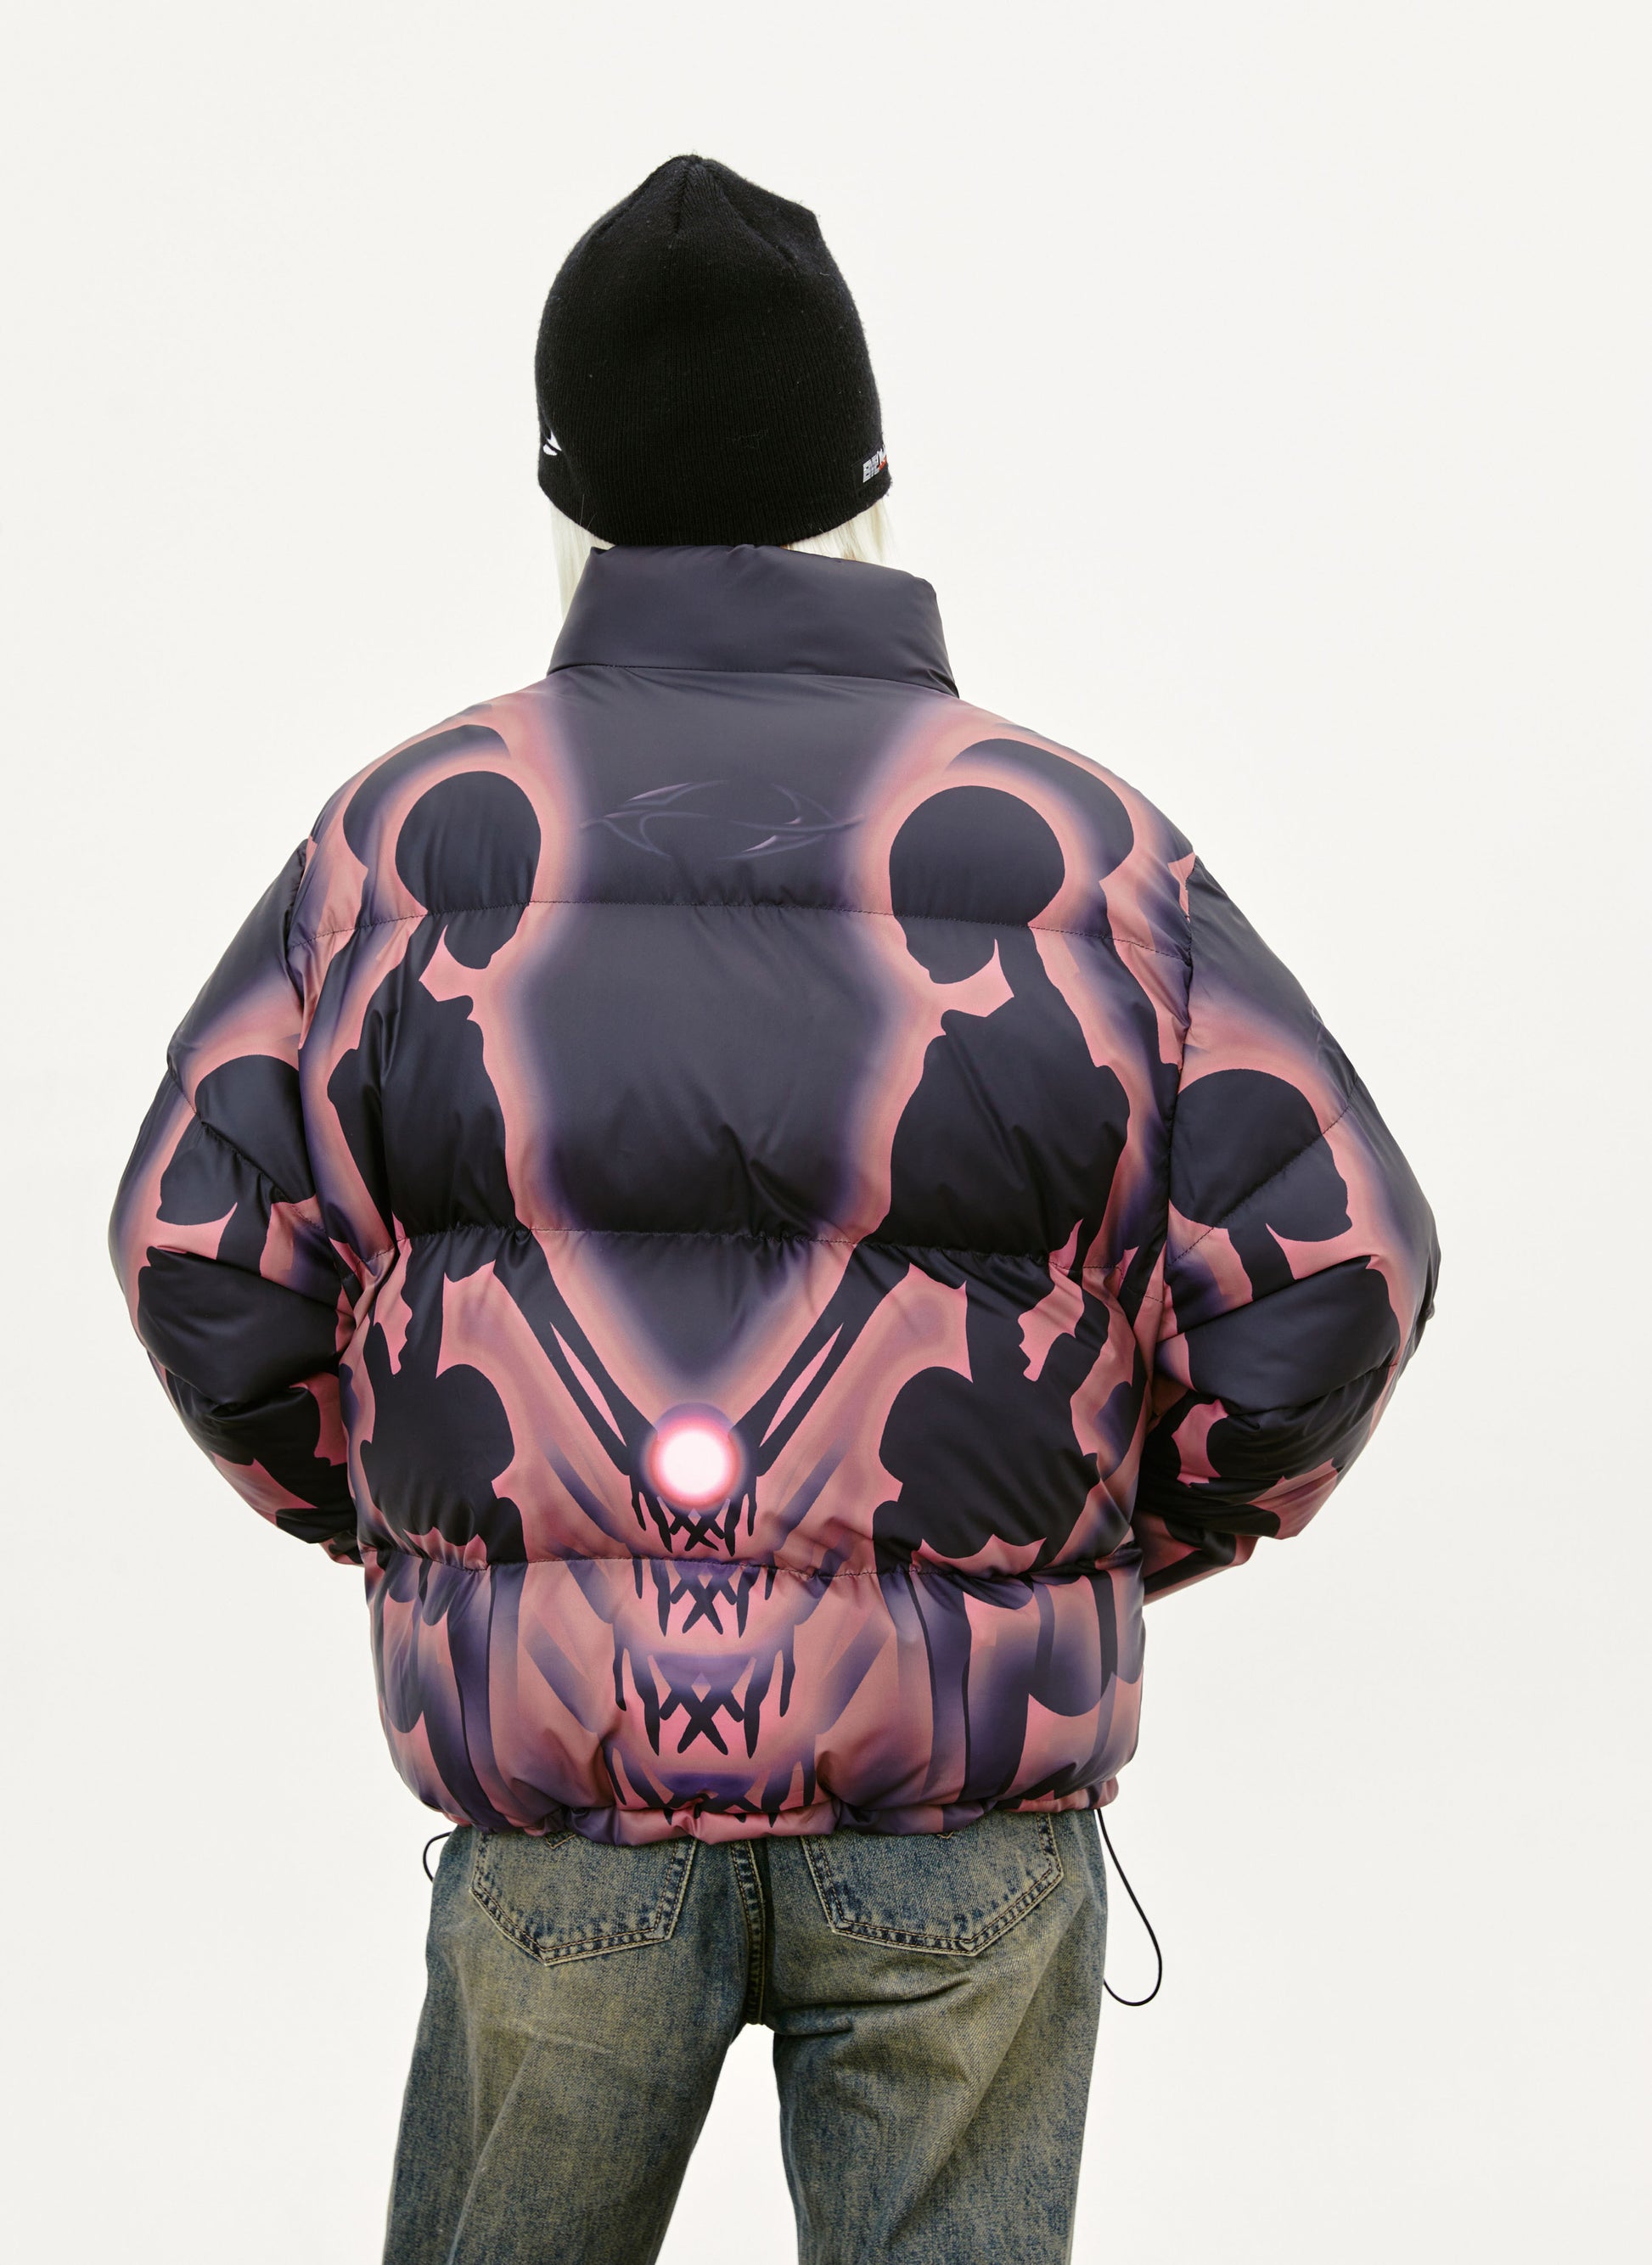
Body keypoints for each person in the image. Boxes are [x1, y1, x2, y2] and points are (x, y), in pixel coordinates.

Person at [110, 154, 1438, 2265]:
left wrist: (438, 1526)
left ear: (567, 493)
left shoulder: (401, 847)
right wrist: (1090, 1536)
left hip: (568, 1797)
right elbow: (1336, 1263)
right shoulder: (1090, 853)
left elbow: (202, 1248)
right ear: (864, 480)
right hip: (963, 1797)